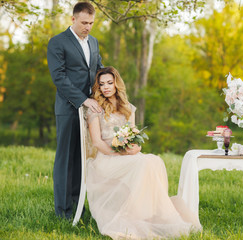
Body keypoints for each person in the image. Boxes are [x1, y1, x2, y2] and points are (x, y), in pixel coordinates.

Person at [86, 66, 201, 239]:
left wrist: (136, 148)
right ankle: (136, 216)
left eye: (110, 83)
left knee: (154, 160)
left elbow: (134, 136)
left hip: (127, 155)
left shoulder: (127, 108)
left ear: (117, 84)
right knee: (143, 163)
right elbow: (97, 142)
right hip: (107, 158)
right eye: (102, 84)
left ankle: (148, 214)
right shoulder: (95, 109)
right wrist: (117, 154)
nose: (106, 87)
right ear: (98, 87)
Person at [47, 2, 103, 219]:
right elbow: (58, 77)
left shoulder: (94, 42)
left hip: (90, 109)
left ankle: (78, 205)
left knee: (82, 159)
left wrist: (110, 87)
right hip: (68, 108)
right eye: (84, 22)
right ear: (73, 19)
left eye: (91, 23)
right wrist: (83, 100)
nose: (87, 27)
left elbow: (98, 70)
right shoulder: (58, 42)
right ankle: (63, 212)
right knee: (66, 159)